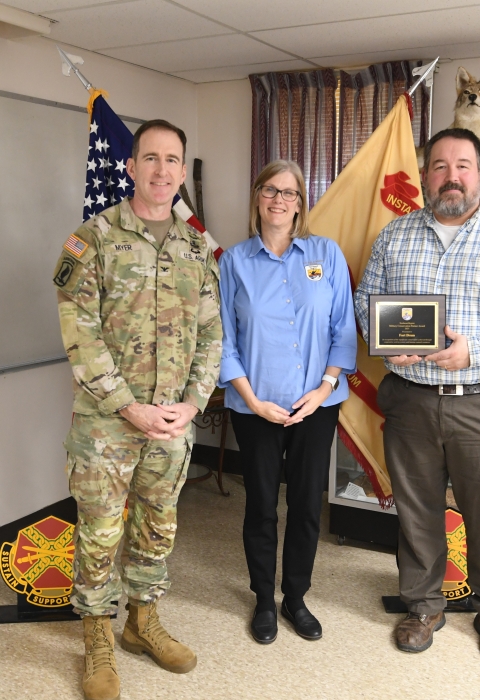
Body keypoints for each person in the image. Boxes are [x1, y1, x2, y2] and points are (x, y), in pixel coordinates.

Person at [53, 119, 222, 700]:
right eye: (149, 157)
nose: (161, 169)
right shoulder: (92, 239)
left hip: (173, 426)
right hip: (107, 427)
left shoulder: (197, 245)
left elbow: (211, 334)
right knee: (99, 534)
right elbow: (81, 335)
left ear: (181, 170)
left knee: (158, 528)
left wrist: (194, 402)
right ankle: (96, 635)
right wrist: (130, 408)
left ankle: (141, 622)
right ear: (130, 166)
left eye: (172, 159)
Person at [218, 160, 357, 644]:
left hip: (316, 407)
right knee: (260, 505)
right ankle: (262, 598)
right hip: (255, 410)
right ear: (257, 196)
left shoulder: (326, 254)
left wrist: (323, 389)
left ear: (301, 202)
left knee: (305, 506)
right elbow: (224, 340)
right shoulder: (233, 261)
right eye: (270, 190)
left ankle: (295, 598)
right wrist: (253, 401)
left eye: (290, 192)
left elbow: (343, 326)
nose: (280, 200)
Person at [354, 127, 480, 653]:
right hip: (410, 397)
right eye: (440, 165)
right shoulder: (394, 234)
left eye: (464, 165)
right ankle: (424, 608)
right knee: (418, 510)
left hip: (476, 399)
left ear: (478, 173)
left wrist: (472, 352)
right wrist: (385, 344)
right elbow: (365, 300)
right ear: (426, 175)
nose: (452, 176)